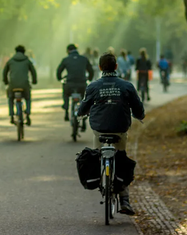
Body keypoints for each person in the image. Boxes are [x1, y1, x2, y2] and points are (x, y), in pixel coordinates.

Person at [76, 52, 145, 215]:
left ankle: (99, 175)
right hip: (119, 129)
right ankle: (124, 199)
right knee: (121, 158)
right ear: (116, 66)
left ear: (100, 67)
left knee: (97, 153)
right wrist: (140, 116)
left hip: (99, 130)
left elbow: (84, 107)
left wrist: (80, 113)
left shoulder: (93, 86)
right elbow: (137, 107)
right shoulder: (127, 86)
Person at [56, 43, 95, 121]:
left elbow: (59, 71)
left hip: (69, 84)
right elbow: (91, 71)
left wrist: (60, 78)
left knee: (66, 94)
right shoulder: (84, 59)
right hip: (82, 84)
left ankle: (66, 108)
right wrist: (89, 79)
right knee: (85, 97)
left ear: (68, 51)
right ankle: (85, 111)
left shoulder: (65, 59)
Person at [3, 45, 38, 125]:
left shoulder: (11, 61)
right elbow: (33, 71)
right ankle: (28, 114)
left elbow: (5, 72)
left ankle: (12, 115)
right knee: (28, 98)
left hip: (13, 85)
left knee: (11, 98)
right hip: (24, 85)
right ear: (24, 52)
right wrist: (34, 81)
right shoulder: (27, 61)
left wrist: (6, 81)